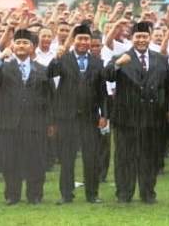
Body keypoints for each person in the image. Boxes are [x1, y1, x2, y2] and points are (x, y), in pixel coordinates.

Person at [102, 22, 169, 204]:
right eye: (137, 36)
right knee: (125, 157)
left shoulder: (160, 59)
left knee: (149, 157)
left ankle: (148, 193)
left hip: (152, 117)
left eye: (144, 36)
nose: (141, 40)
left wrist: (166, 109)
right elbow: (106, 75)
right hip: (126, 118)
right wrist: (117, 65)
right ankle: (124, 193)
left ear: (149, 37)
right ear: (132, 38)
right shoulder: (120, 57)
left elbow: (167, 87)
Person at [0, 29, 54, 205]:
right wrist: (0, 58)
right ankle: (12, 195)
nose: (21, 46)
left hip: (35, 124)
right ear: (12, 46)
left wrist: (50, 122)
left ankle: (35, 195)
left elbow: (51, 98)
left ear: (33, 48)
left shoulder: (43, 70)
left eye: (26, 43)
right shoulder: (4, 67)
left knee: (36, 160)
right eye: (18, 42)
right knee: (10, 160)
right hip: (9, 123)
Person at [46, 24, 107, 205]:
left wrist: (104, 115)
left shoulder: (97, 62)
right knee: (67, 158)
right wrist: (56, 58)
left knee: (91, 158)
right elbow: (49, 73)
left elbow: (102, 92)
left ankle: (92, 194)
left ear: (91, 42)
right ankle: (66, 194)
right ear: (74, 41)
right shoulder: (63, 59)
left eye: (86, 39)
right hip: (67, 118)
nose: (83, 42)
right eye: (79, 39)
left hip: (90, 118)